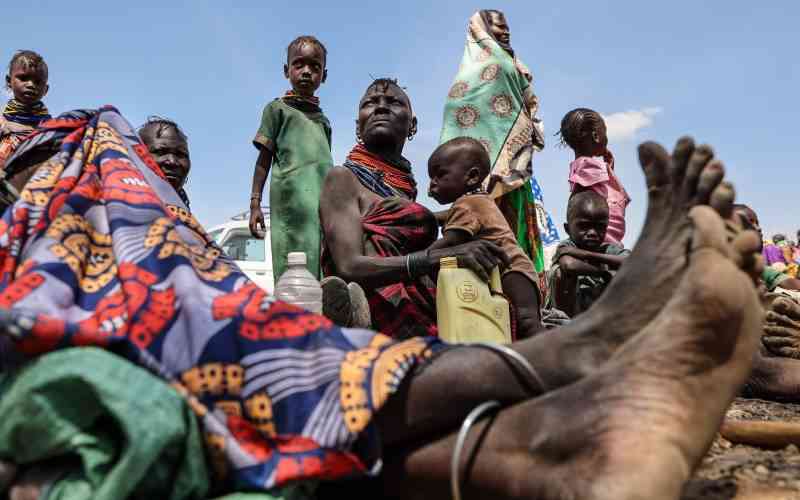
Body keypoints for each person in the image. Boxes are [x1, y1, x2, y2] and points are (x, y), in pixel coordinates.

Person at [0, 109, 771, 499]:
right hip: (361, 311)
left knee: (175, 321)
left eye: (395, 101)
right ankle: (567, 368)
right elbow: (355, 264)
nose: (383, 106)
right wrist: (438, 254)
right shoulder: (347, 182)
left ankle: (560, 446)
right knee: (149, 276)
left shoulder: (418, 195)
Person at [321, 78, 509, 339]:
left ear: (413, 125)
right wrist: (445, 256)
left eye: (393, 102)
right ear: (358, 126)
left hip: (426, 310)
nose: (381, 108)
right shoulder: (341, 179)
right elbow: (349, 266)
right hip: (379, 321)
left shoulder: (406, 193)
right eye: (370, 103)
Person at [439, 10, 560, 291]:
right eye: (498, 27)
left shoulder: (512, 64)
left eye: (508, 28)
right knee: (487, 246)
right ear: (481, 30)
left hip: (512, 177)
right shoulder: (483, 68)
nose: (505, 33)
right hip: (482, 179)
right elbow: (461, 115)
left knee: (511, 246)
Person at [427, 136, 543, 337]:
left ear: (471, 177)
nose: (432, 184)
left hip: (513, 270)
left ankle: (555, 358)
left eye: (440, 175)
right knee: (513, 327)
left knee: (527, 324)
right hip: (519, 270)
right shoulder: (476, 201)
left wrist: (418, 256)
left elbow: (449, 243)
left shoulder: (467, 205)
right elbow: (440, 217)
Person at [248, 35, 332, 281]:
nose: (306, 72)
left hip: (321, 206)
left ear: (324, 76)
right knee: (292, 268)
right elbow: (264, 159)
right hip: (291, 204)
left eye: (315, 67)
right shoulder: (277, 110)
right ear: (287, 70)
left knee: (322, 266)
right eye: (299, 64)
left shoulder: (323, 121)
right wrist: (255, 202)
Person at [546, 191, 630, 317]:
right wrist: (604, 273)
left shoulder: (607, 249)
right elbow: (569, 265)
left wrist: (587, 255)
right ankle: (566, 322)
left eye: (600, 227)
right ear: (567, 229)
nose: (592, 232)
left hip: (597, 313)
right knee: (560, 273)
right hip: (568, 311)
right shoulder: (567, 246)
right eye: (584, 226)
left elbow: (632, 260)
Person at [559, 108, 631, 246]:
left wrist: (608, 166)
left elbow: (603, 190)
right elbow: (578, 201)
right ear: (596, 136)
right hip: (602, 239)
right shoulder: (589, 167)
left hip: (602, 238)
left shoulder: (584, 166)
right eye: (605, 132)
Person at [0, 50, 51, 170]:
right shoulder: (2, 123)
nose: (30, 85)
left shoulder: (51, 130)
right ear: (9, 81)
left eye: (38, 82)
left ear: (45, 89)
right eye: (23, 78)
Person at [733, 204, 800, 292]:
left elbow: (785, 281)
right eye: (749, 222)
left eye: (757, 223)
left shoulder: (756, 268)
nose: (758, 228)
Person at [138, 116, 192, 207]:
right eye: (160, 152)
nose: (172, 161)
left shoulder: (185, 216)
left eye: (181, 154)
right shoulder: (114, 209)